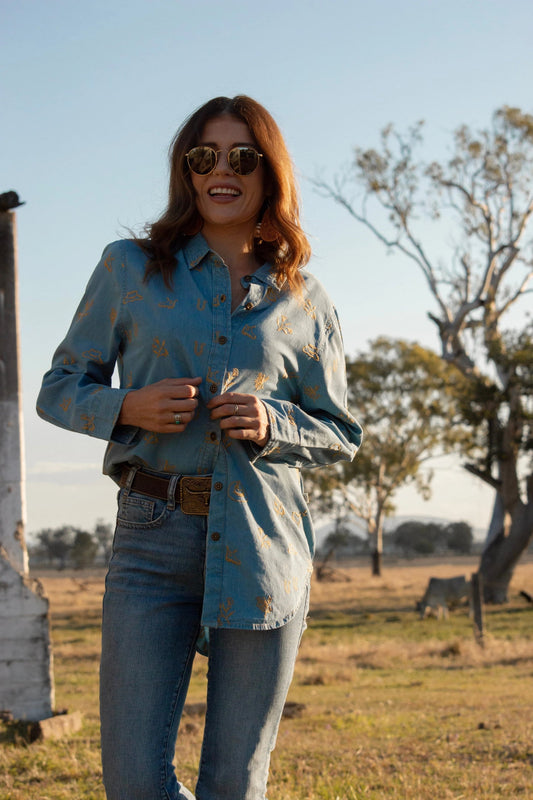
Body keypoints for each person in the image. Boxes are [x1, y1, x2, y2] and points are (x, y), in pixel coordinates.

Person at [37, 95, 362, 800]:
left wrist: (274, 422)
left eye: (242, 157)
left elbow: (341, 433)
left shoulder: (305, 299)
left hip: (263, 541)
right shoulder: (128, 268)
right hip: (151, 537)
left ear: (269, 173)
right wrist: (127, 406)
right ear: (185, 171)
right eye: (203, 156)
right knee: (133, 783)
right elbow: (58, 389)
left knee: (234, 785)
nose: (222, 170)